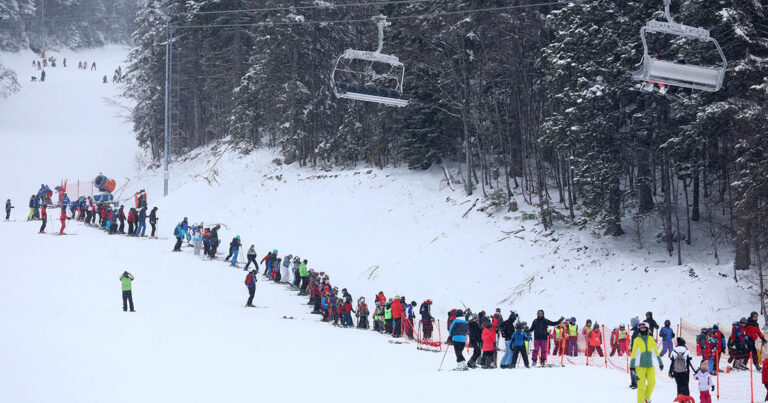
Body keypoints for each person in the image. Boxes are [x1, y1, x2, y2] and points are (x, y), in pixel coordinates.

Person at [630, 321, 663, 403]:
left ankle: (646, 398)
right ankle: (640, 401)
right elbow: (634, 353)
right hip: (639, 366)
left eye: (644, 328)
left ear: (647, 329)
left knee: (652, 383)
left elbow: (655, 352)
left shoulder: (651, 339)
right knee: (641, 386)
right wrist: (632, 366)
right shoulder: (637, 340)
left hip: (650, 366)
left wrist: (660, 362)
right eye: (641, 328)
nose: (642, 329)